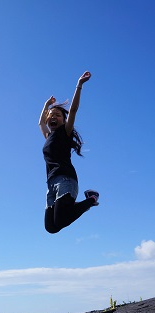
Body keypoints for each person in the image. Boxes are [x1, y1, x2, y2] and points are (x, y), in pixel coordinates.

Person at [39, 71, 99, 234]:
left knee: (60, 220)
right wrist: (46, 105)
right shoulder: (48, 136)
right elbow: (40, 123)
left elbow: (72, 111)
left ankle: (91, 199)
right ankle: (82, 203)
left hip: (66, 179)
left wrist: (79, 84)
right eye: (51, 115)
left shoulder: (65, 132)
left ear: (63, 120)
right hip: (51, 184)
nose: (53, 116)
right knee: (51, 227)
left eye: (57, 115)